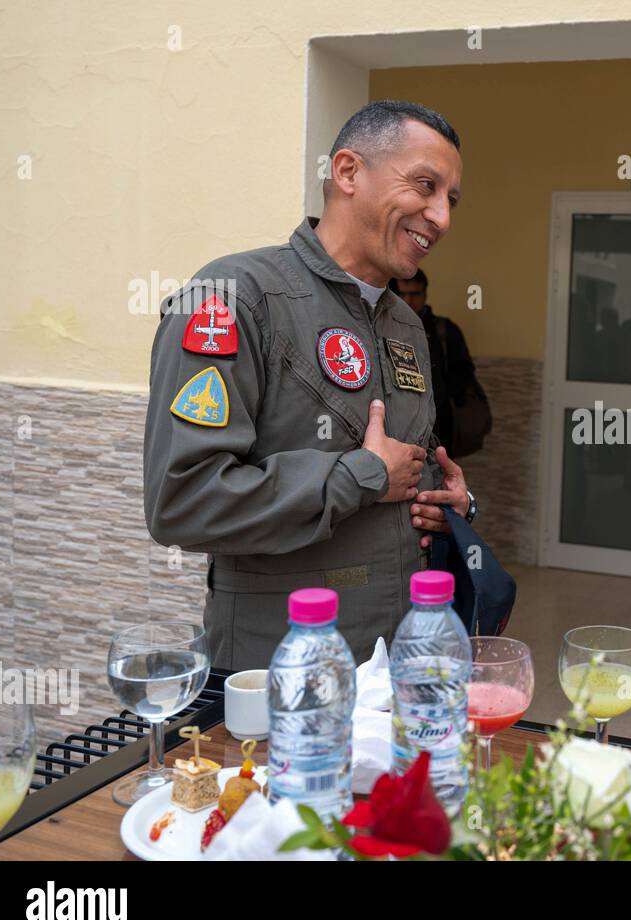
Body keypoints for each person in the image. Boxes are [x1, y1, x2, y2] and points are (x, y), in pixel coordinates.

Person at [144, 100, 478, 670]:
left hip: (399, 661)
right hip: (279, 673)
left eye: (450, 199)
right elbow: (183, 501)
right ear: (347, 172)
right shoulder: (230, 297)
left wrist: (449, 504)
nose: (441, 216)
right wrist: (361, 475)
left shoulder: (405, 323)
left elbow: (399, 468)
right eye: (425, 185)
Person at [389, 270, 490, 457]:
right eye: (402, 294)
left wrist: (438, 396)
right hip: (398, 424)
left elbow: (464, 370)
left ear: (425, 294)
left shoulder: (444, 330)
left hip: (440, 425)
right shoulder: (387, 326)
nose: (409, 301)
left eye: (415, 294)